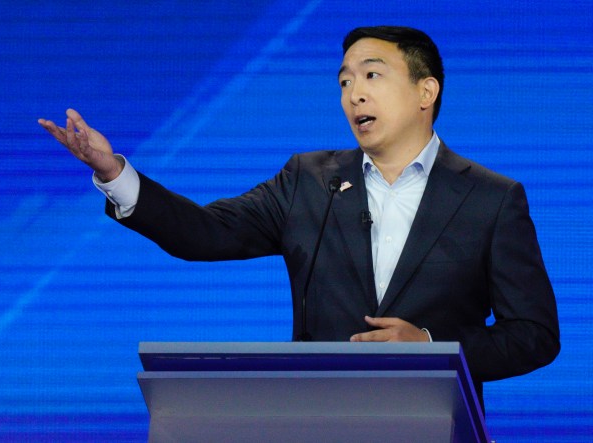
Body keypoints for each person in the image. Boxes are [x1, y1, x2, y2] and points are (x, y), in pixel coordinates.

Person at [38, 26, 560, 407]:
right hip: (318, 417)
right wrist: (114, 173)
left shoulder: (492, 198)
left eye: (372, 75)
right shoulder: (308, 181)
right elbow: (204, 234)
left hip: (436, 423)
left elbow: (534, 334)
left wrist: (430, 347)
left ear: (426, 92)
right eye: (344, 81)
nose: (353, 93)